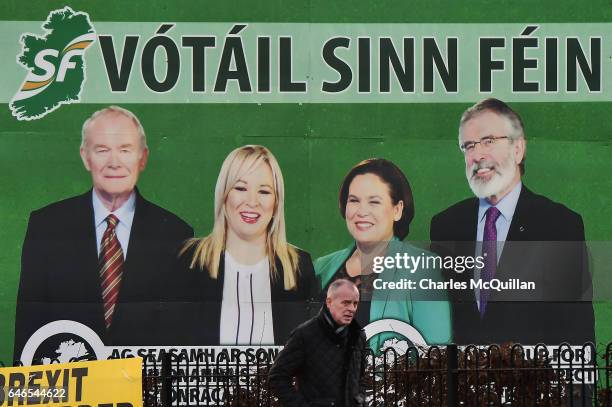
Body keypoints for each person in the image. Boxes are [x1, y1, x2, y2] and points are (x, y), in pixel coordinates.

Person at [14, 106, 194, 360]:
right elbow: (28, 328)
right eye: (102, 150)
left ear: (143, 158)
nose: (114, 162)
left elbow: (181, 337)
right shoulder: (46, 225)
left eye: (125, 150)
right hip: (70, 392)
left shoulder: (177, 234)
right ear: (85, 157)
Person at [429, 98, 594, 345]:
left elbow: (577, 330)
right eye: (469, 146)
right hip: (463, 381)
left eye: (488, 141)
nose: (477, 155)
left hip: (536, 381)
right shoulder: (446, 226)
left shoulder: (560, 225)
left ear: (518, 149)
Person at [171, 145, 317, 345]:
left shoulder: (299, 266)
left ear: (276, 203)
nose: (252, 201)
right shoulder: (188, 259)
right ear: (224, 195)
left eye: (264, 191)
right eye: (240, 188)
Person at [314, 158, 451, 353]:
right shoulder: (321, 267)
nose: (362, 211)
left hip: (387, 383)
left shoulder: (422, 267)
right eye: (354, 200)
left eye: (374, 202)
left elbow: (437, 353)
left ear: (397, 210)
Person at [269, 279, 367, 407]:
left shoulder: (358, 335)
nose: (352, 309)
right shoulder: (304, 335)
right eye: (346, 303)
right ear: (329, 302)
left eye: (355, 303)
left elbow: (361, 377)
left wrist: (360, 399)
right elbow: (277, 377)